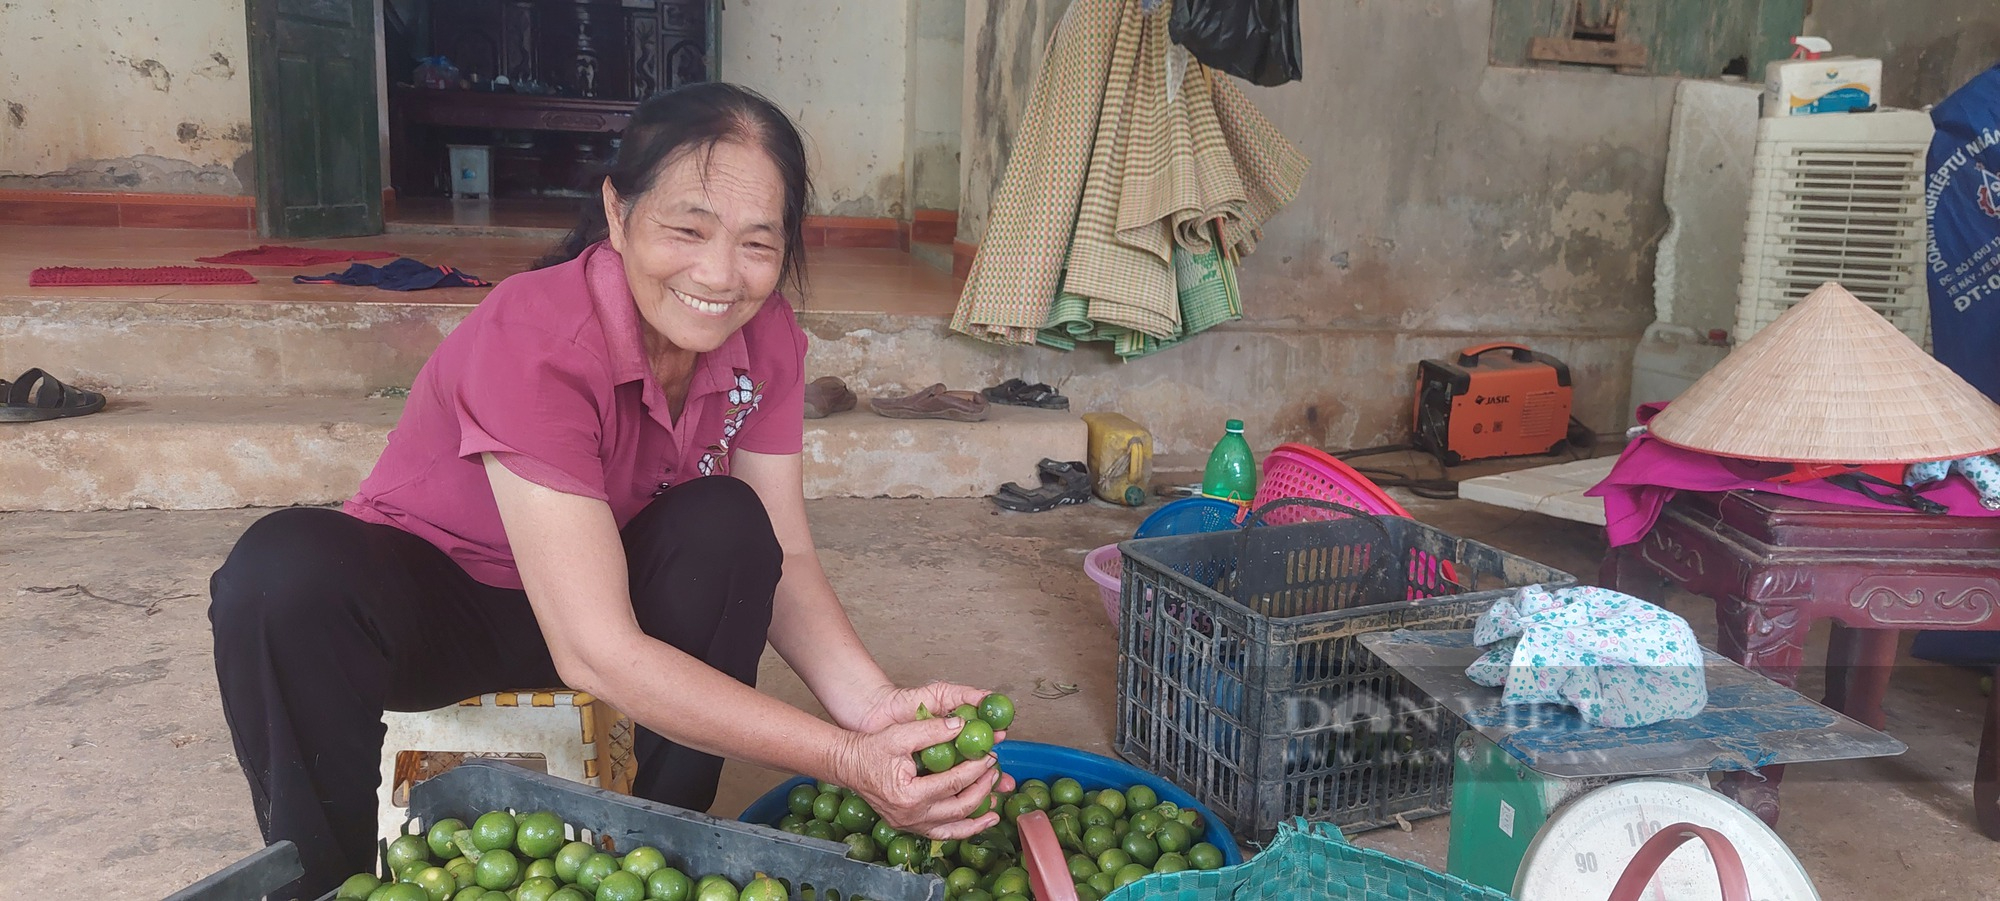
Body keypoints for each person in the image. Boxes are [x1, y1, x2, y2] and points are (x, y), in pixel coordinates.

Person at [208, 82, 1010, 897]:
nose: (720, 275)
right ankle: (332, 879)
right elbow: (592, 647)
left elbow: (788, 556)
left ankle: (656, 855)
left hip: (604, 595)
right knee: (283, 574)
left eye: (758, 244)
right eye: (687, 230)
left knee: (730, 526)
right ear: (618, 215)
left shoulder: (764, 339)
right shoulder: (538, 333)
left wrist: (873, 708)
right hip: (443, 612)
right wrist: (842, 759)